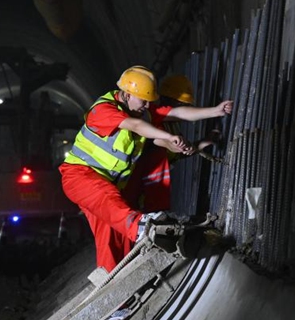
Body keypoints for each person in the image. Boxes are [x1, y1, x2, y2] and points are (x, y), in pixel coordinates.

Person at [59, 65, 193, 272]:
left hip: (108, 181)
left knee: (110, 231)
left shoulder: (144, 117)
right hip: (80, 175)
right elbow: (140, 128)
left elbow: (176, 120)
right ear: (127, 94)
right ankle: (140, 226)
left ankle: (114, 277)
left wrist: (216, 112)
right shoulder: (106, 111)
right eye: (143, 100)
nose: (147, 105)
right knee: (108, 198)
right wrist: (167, 137)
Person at [125, 74, 230, 213]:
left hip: (151, 194)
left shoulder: (172, 126)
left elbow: (174, 154)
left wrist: (200, 144)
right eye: (181, 104)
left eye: (185, 105)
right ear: (167, 100)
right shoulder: (154, 120)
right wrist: (172, 144)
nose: (184, 107)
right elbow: (159, 143)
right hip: (140, 189)